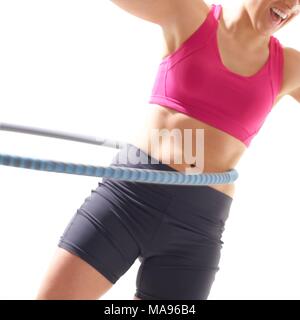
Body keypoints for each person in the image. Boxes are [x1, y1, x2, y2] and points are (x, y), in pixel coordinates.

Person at [36, 0, 300, 300]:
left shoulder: (290, 67)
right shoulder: (189, 14)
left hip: (197, 227)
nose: (292, 5)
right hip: (129, 198)